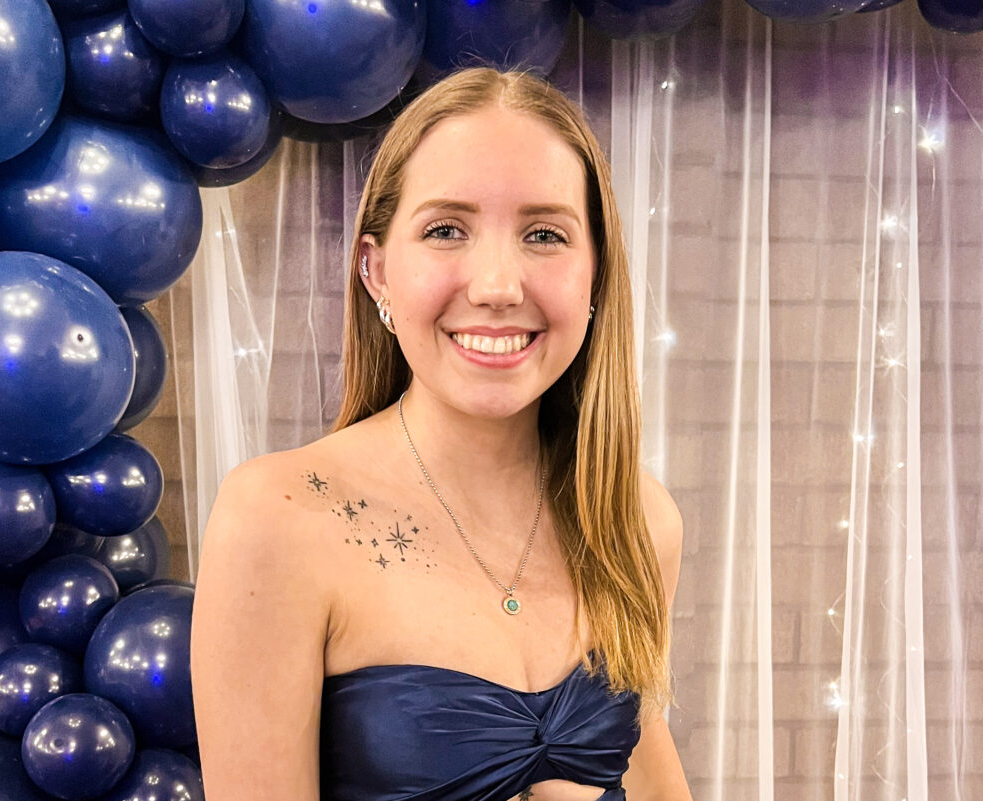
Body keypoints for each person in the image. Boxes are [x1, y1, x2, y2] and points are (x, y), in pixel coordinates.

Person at [191, 67, 692, 801]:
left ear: (596, 275)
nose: (497, 286)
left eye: (545, 234)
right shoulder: (280, 516)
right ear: (376, 271)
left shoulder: (640, 519)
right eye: (446, 230)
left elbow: (647, 762)